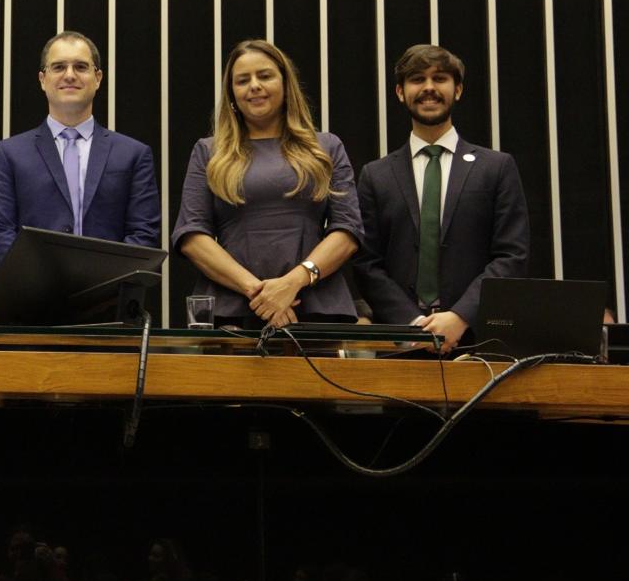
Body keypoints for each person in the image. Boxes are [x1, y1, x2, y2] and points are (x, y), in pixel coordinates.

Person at [172, 39, 362, 327]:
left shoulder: (326, 147)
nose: (254, 86)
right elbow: (192, 236)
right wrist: (260, 294)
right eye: (242, 80)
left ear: (286, 85)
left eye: (265, 76)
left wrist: (293, 283)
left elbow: (347, 230)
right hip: (233, 312)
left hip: (317, 308)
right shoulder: (209, 151)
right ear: (232, 93)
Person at [353, 44, 529, 351]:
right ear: (399, 92)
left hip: (479, 341)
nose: (429, 88)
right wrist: (412, 326)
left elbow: (512, 256)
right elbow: (366, 263)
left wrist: (460, 317)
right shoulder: (375, 175)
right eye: (417, 79)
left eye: (440, 79)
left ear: (458, 90)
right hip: (401, 344)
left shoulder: (497, 168)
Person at [0, 31, 160, 264]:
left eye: (81, 67)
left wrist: (96, 284)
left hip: (109, 296)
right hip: (33, 296)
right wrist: (46, 282)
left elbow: (143, 233)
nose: (70, 75)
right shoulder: (7, 155)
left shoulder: (133, 155)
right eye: (59, 67)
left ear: (98, 78)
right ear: (43, 80)